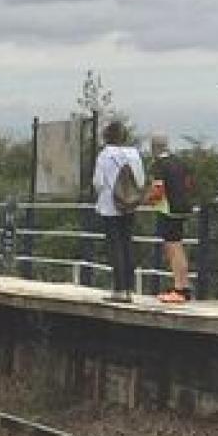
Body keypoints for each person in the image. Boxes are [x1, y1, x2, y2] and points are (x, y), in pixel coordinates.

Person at [90, 122, 145, 303]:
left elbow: (98, 182)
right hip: (129, 205)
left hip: (109, 206)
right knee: (128, 243)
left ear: (107, 136)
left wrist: (108, 192)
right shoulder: (134, 154)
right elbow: (141, 180)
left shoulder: (104, 155)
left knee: (115, 247)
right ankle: (130, 288)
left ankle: (118, 289)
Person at [144, 131, 196, 304]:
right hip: (183, 207)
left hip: (169, 209)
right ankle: (184, 286)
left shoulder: (159, 165)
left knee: (173, 248)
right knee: (178, 246)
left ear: (154, 148)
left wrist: (146, 200)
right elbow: (189, 184)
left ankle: (179, 289)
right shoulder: (180, 162)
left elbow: (158, 191)